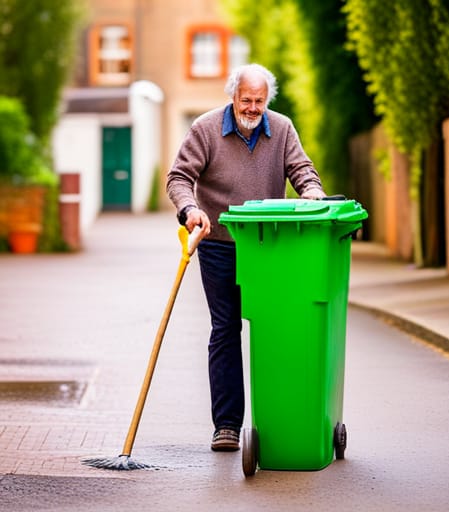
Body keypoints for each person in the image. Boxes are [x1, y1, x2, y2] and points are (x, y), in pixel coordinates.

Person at [166, 63, 326, 452]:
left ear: (267, 100)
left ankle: (280, 422)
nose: (252, 108)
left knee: (276, 330)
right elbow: (179, 178)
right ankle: (227, 425)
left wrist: (312, 193)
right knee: (225, 330)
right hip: (219, 242)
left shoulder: (282, 128)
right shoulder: (205, 129)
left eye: (259, 101)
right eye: (246, 100)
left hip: (269, 246)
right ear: (232, 97)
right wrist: (190, 211)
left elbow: (301, 170)